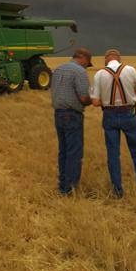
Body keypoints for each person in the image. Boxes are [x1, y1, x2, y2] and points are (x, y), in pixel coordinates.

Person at [90, 48, 136, 197]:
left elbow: (96, 102)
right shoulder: (131, 70)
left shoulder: (99, 74)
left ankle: (117, 190)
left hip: (109, 116)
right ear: (119, 59)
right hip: (129, 114)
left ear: (106, 59)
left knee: (113, 153)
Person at [49, 48, 94, 196]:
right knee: (74, 152)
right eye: (87, 64)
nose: (86, 67)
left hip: (58, 113)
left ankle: (62, 184)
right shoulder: (79, 72)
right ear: (84, 59)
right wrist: (93, 100)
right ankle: (70, 189)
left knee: (63, 151)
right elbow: (83, 97)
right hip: (72, 114)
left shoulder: (58, 69)